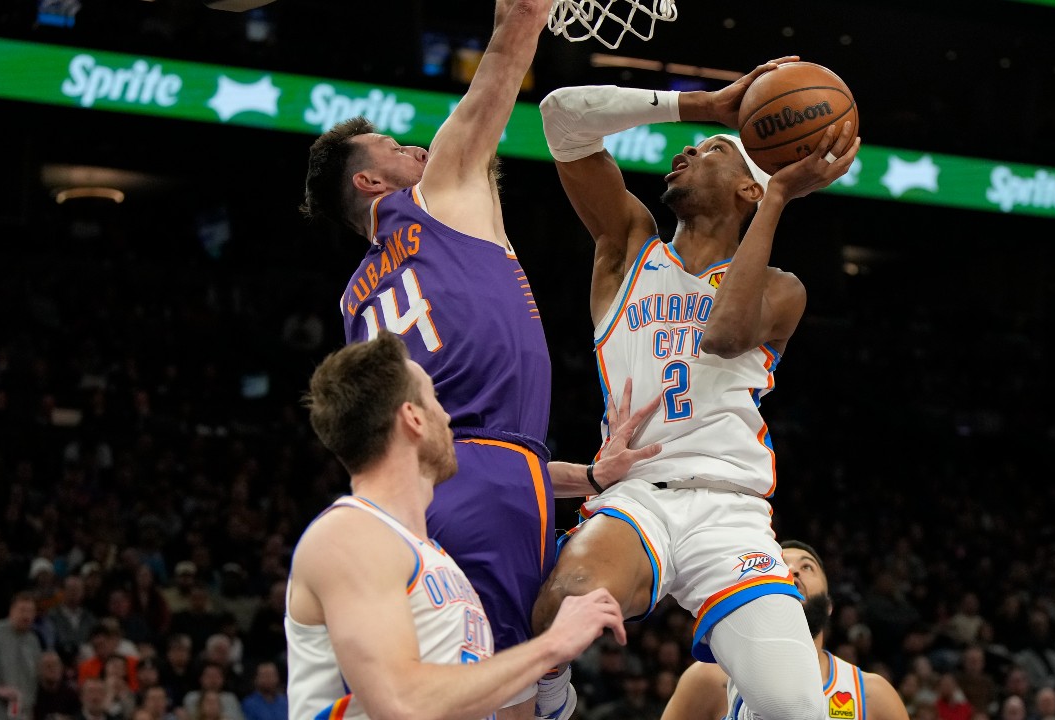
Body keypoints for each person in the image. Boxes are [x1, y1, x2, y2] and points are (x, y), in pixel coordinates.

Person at [298, 2, 659, 716]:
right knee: (503, 697)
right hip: (491, 489)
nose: (418, 152)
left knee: (467, 682)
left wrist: (587, 476)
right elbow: (511, 42)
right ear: (372, 184)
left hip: (437, 493)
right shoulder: (435, 197)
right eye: (396, 148)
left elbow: (456, 446)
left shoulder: (354, 302)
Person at [533, 58, 860, 719]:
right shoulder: (628, 246)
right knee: (562, 600)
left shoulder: (781, 289)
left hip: (730, 509)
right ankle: (550, 702)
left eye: (712, 152)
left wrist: (776, 198)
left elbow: (721, 334)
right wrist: (704, 109)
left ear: (747, 190)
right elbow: (560, 116)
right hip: (637, 495)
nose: (686, 153)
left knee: (799, 708)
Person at [286, 334, 629, 720]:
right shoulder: (348, 536)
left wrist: (593, 477)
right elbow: (402, 702)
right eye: (435, 400)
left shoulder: (432, 557)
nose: (448, 417)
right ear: (413, 418)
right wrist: (553, 645)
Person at [661, 541, 909, 720]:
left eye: (807, 567)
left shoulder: (872, 694)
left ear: (829, 605)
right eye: (780, 563)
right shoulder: (710, 678)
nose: (792, 570)